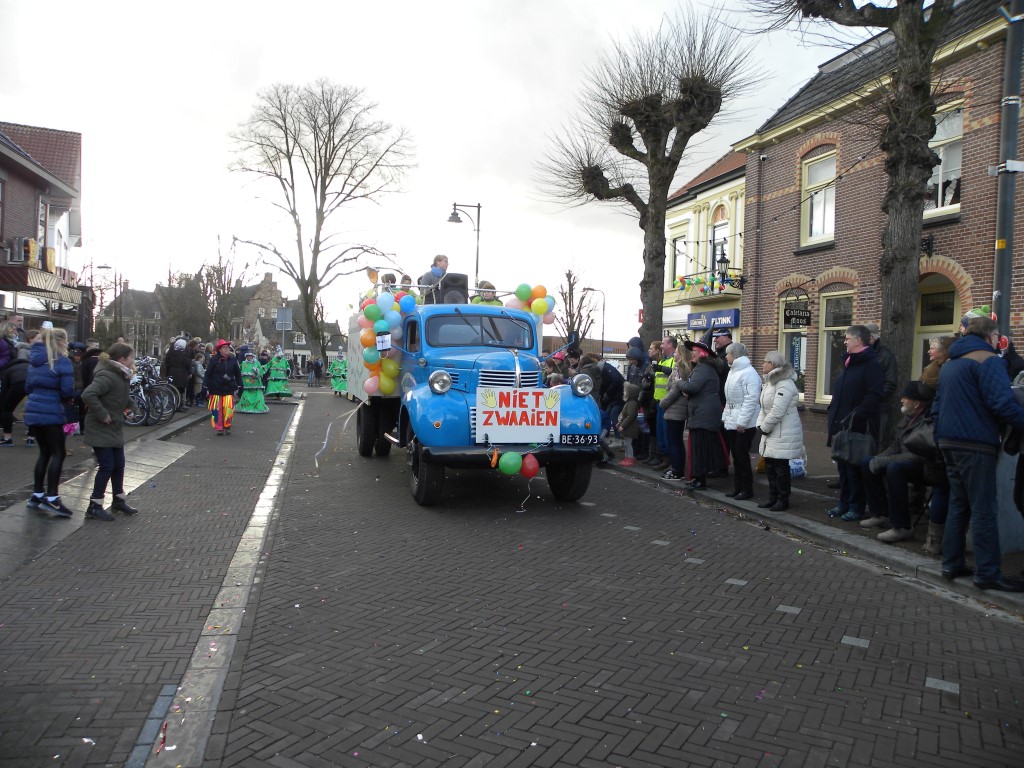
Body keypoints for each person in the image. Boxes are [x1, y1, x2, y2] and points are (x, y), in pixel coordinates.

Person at [934, 315, 1024, 592]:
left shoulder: (951, 363)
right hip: (975, 443)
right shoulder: (988, 361)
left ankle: (952, 563)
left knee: (958, 505)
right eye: (997, 337)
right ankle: (988, 573)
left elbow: (938, 404)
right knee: (984, 509)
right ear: (991, 336)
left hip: (948, 441)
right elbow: (1002, 404)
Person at [860, 381, 947, 544]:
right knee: (867, 462)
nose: (902, 400)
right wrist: (878, 459)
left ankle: (902, 526)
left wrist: (885, 461)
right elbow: (895, 446)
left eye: (905, 398)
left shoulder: (928, 421)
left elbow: (918, 455)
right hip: (905, 461)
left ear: (916, 403)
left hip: (927, 468)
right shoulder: (907, 419)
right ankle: (880, 513)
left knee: (895, 469)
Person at [825, 324, 885, 522]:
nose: (844, 342)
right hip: (841, 422)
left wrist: (858, 414)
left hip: (856, 425)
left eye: (847, 338)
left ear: (858, 341)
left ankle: (856, 506)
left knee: (854, 468)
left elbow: (875, 393)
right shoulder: (848, 362)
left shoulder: (871, 364)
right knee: (842, 466)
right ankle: (843, 502)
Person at [81, 342, 140, 521]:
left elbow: (120, 396)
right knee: (107, 466)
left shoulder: (120, 375)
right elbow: (88, 394)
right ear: (122, 359)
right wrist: (103, 414)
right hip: (101, 428)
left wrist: (132, 407)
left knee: (119, 464)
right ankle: (94, 505)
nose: (133, 361)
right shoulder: (107, 375)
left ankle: (118, 500)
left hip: (113, 427)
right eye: (131, 358)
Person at [24, 328, 76, 516]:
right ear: (61, 341)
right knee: (58, 452)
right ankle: (53, 497)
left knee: (44, 452)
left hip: (33, 409)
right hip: (52, 410)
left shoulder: (34, 361)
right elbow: (67, 390)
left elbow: (27, 387)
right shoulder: (62, 361)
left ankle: (37, 493)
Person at [756, 351, 803, 511]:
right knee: (770, 465)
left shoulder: (784, 384)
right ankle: (773, 497)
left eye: (765, 361)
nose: (762, 364)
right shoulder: (770, 382)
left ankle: (783, 500)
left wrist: (764, 427)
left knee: (780, 467)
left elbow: (778, 410)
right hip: (772, 430)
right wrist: (760, 424)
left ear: (773, 365)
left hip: (783, 430)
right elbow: (764, 407)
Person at [680, 338, 723, 489]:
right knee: (700, 447)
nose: (692, 353)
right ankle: (698, 478)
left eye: (695, 351)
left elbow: (692, 387)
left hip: (702, 414)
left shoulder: (702, 369)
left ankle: (700, 479)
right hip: (703, 413)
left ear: (703, 353)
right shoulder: (705, 368)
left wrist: (679, 383)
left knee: (699, 448)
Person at [721, 342, 761, 500]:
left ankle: (747, 489)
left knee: (741, 455)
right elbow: (730, 399)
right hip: (733, 419)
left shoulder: (749, 373)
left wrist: (742, 422)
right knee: (736, 456)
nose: (726, 356)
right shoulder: (733, 371)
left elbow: (751, 400)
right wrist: (726, 417)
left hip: (744, 422)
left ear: (735, 355)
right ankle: (738, 487)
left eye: (728, 353)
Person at [656, 344, 692, 481]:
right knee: (677, 441)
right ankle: (677, 469)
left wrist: (663, 403)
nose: (674, 354)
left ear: (681, 355)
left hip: (675, 410)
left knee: (673, 441)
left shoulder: (679, 369)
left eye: (676, 352)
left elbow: (674, 390)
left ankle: (677, 470)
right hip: (679, 410)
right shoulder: (685, 368)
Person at [865, 323, 899, 444]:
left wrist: (874, 398)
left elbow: (890, 383)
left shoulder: (886, 356)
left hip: (879, 408)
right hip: (862, 406)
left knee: (876, 441)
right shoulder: (862, 355)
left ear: (871, 338)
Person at [648, 336, 677, 471]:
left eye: (663, 344)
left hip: (668, 402)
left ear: (670, 345)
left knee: (666, 432)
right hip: (659, 401)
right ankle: (662, 457)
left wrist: (661, 368)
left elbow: (675, 373)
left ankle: (668, 459)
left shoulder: (673, 360)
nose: (661, 346)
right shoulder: (663, 360)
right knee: (660, 431)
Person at [203, 339, 243, 435]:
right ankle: (219, 428)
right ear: (220, 349)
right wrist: (205, 386)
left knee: (228, 408)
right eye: (224, 348)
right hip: (215, 388)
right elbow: (208, 374)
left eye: (228, 347)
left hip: (229, 388)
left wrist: (240, 385)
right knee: (216, 409)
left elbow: (237, 374)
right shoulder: (213, 360)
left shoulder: (233, 360)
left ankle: (227, 425)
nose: (227, 349)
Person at [0, 320, 28, 447]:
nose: (16, 331)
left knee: (6, 405)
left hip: (11, 375)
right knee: (6, 405)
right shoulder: (5, 343)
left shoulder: (12, 343)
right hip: (8, 374)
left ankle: (7, 436)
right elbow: (6, 357)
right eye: (13, 329)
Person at [163, 338, 193, 411]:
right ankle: (179, 405)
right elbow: (188, 364)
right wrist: (190, 372)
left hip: (172, 372)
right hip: (182, 373)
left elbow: (167, 363)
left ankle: (174, 405)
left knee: (173, 390)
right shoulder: (184, 354)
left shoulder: (171, 353)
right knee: (180, 391)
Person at [616, 382, 641, 467]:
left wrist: (622, 426)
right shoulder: (630, 402)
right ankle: (627, 458)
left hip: (630, 428)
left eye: (625, 391)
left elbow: (630, 416)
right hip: (628, 428)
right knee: (626, 444)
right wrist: (620, 423)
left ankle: (630, 458)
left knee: (628, 444)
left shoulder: (632, 403)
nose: (624, 393)